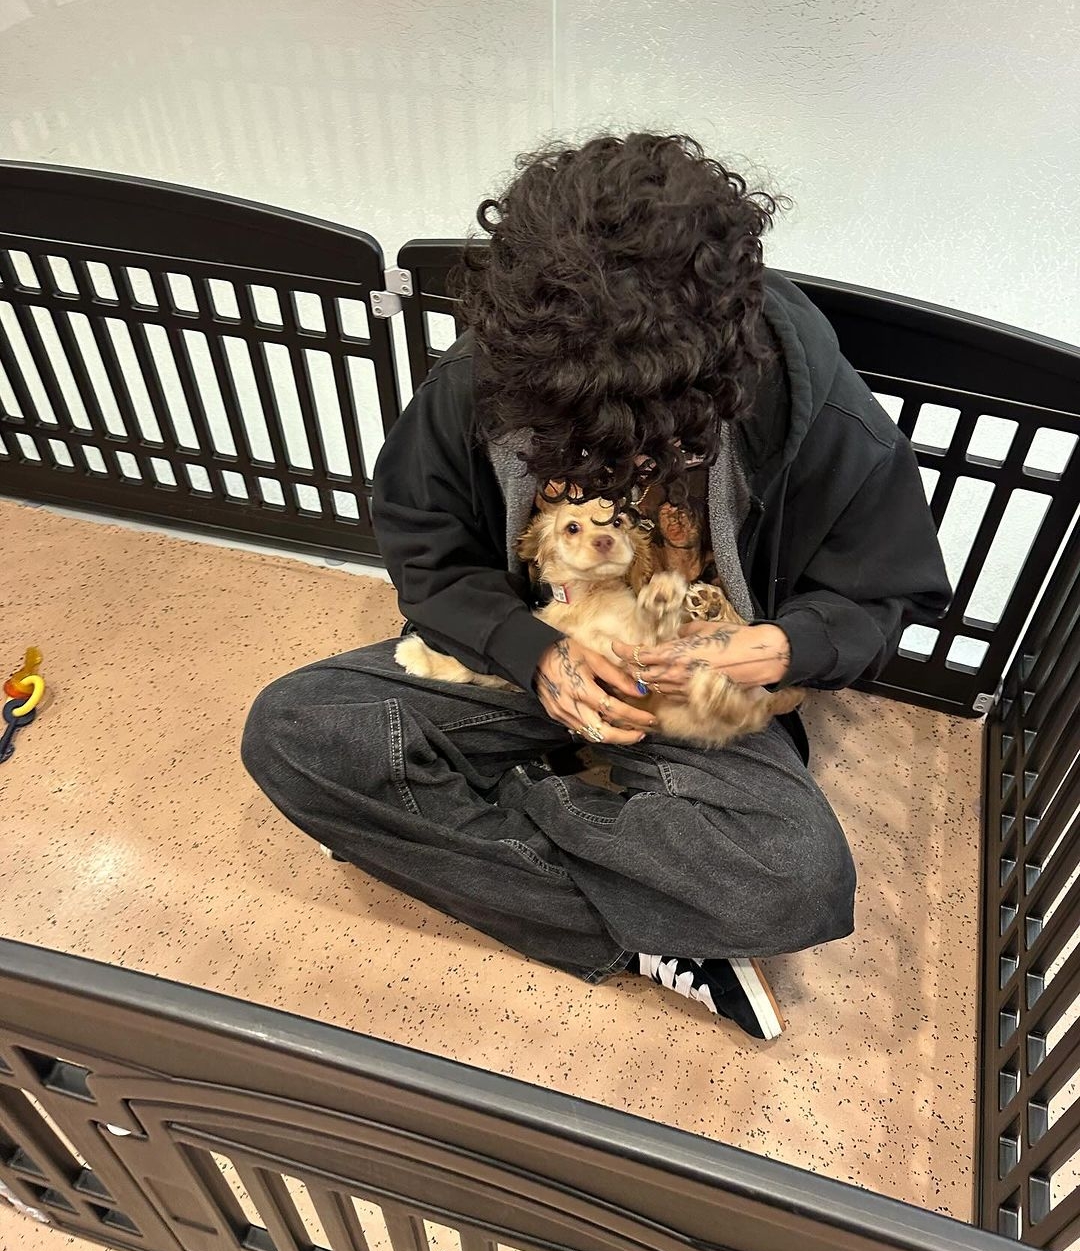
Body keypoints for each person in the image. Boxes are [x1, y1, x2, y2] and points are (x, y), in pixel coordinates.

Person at [242, 133, 952, 1040]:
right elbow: (425, 550)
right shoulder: (482, 380)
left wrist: (775, 646)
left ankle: (505, 815)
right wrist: (532, 652)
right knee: (291, 731)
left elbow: (881, 601)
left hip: (694, 691)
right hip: (536, 651)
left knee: (797, 882)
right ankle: (656, 918)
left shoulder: (823, 421)